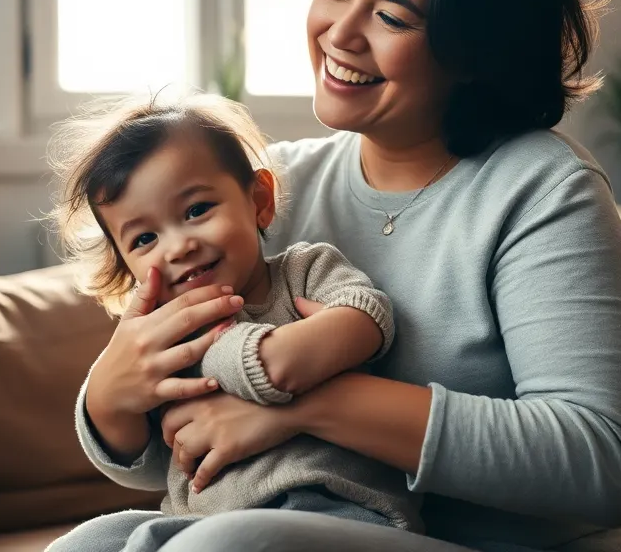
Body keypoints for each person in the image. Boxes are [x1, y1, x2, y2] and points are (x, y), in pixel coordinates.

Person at [63, 0, 621, 552]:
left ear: (475, 49)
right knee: (87, 547)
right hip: (295, 521)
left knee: (220, 549)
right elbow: (187, 442)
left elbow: (600, 463)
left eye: (393, 17)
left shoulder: (543, 192)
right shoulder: (269, 190)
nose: (340, 33)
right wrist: (110, 393)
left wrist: (309, 405)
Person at [43, 93, 423, 552]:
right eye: (145, 238)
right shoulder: (164, 333)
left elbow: (366, 315)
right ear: (127, 266)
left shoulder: (304, 271)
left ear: (259, 201)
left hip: (333, 503)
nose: (179, 245)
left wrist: (271, 356)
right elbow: (138, 447)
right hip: (202, 517)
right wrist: (110, 397)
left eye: (196, 210)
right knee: (87, 542)